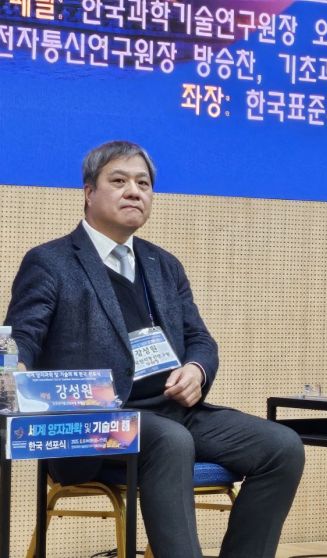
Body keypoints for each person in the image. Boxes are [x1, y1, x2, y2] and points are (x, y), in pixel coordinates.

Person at [5, 141, 305, 558]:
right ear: (89, 192)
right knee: (171, 440)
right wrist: (16, 370)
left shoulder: (164, 265)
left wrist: (198, 369)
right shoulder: (51, 261)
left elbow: (200, 339)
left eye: (143, 183)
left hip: (173, 411)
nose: (134, 191)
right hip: (97, 424)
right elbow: (22, 338)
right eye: (119, 181)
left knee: (282, 446)